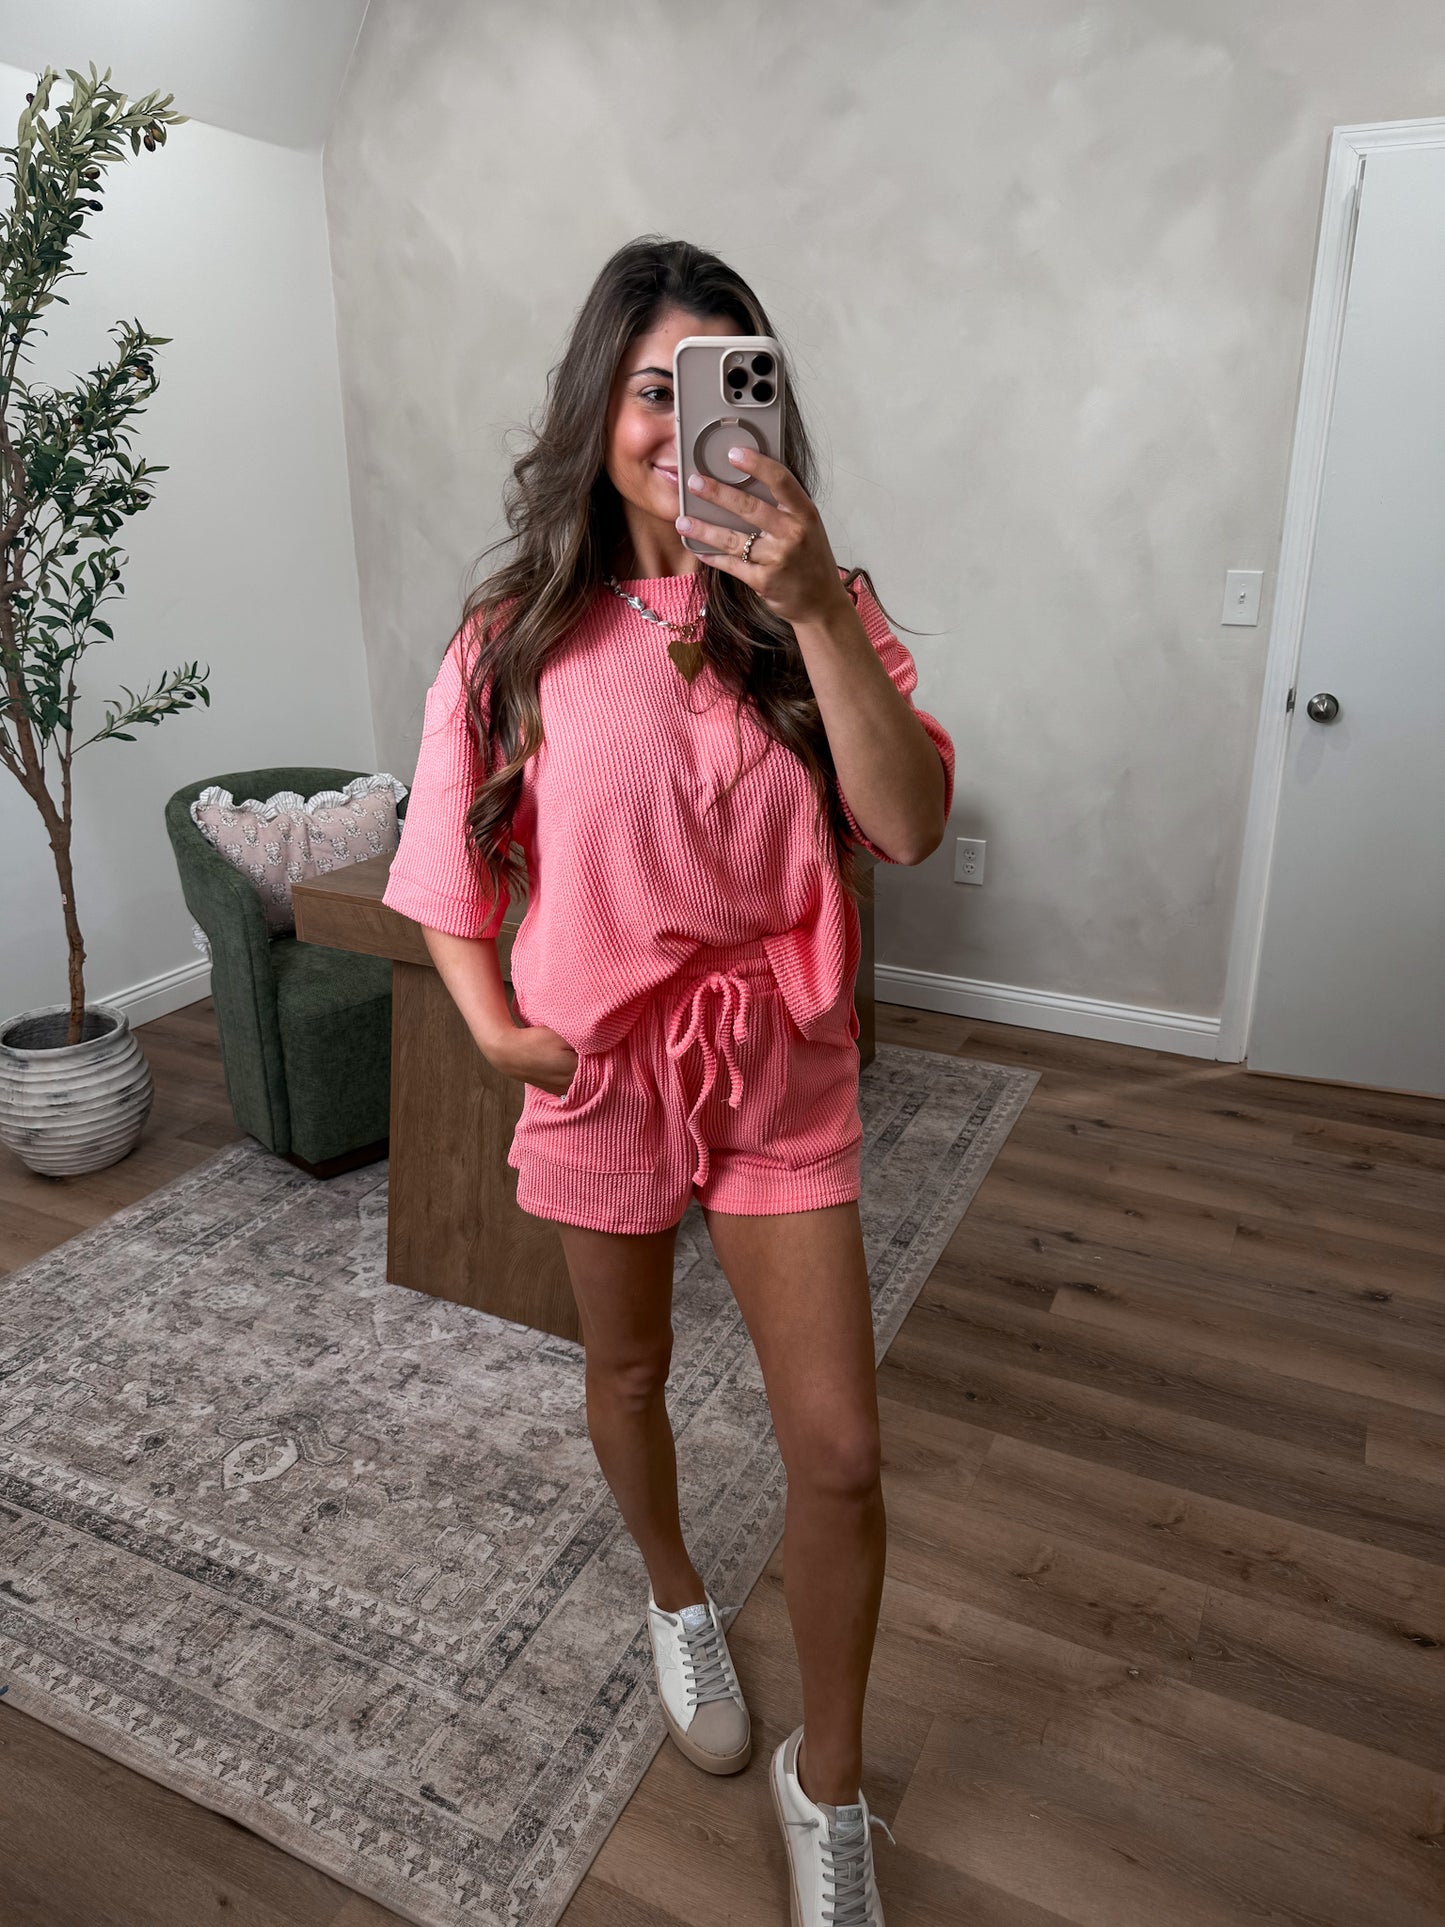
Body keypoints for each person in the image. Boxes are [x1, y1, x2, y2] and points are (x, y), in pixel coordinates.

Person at [383, 236, 954, 1926]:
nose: (680, 426)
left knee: (839, 1454)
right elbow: (446, 866)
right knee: (626, 1375)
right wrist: (490, 1031)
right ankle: (676, 1595)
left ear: (762, 413)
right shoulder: (511, 636)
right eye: (653, 388)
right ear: (602, 404)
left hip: (777, 1065)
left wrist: (806, 598)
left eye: (721, 386)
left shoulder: (819, 614)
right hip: (607, 1068)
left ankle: (827, 1785)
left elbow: (906, 825)